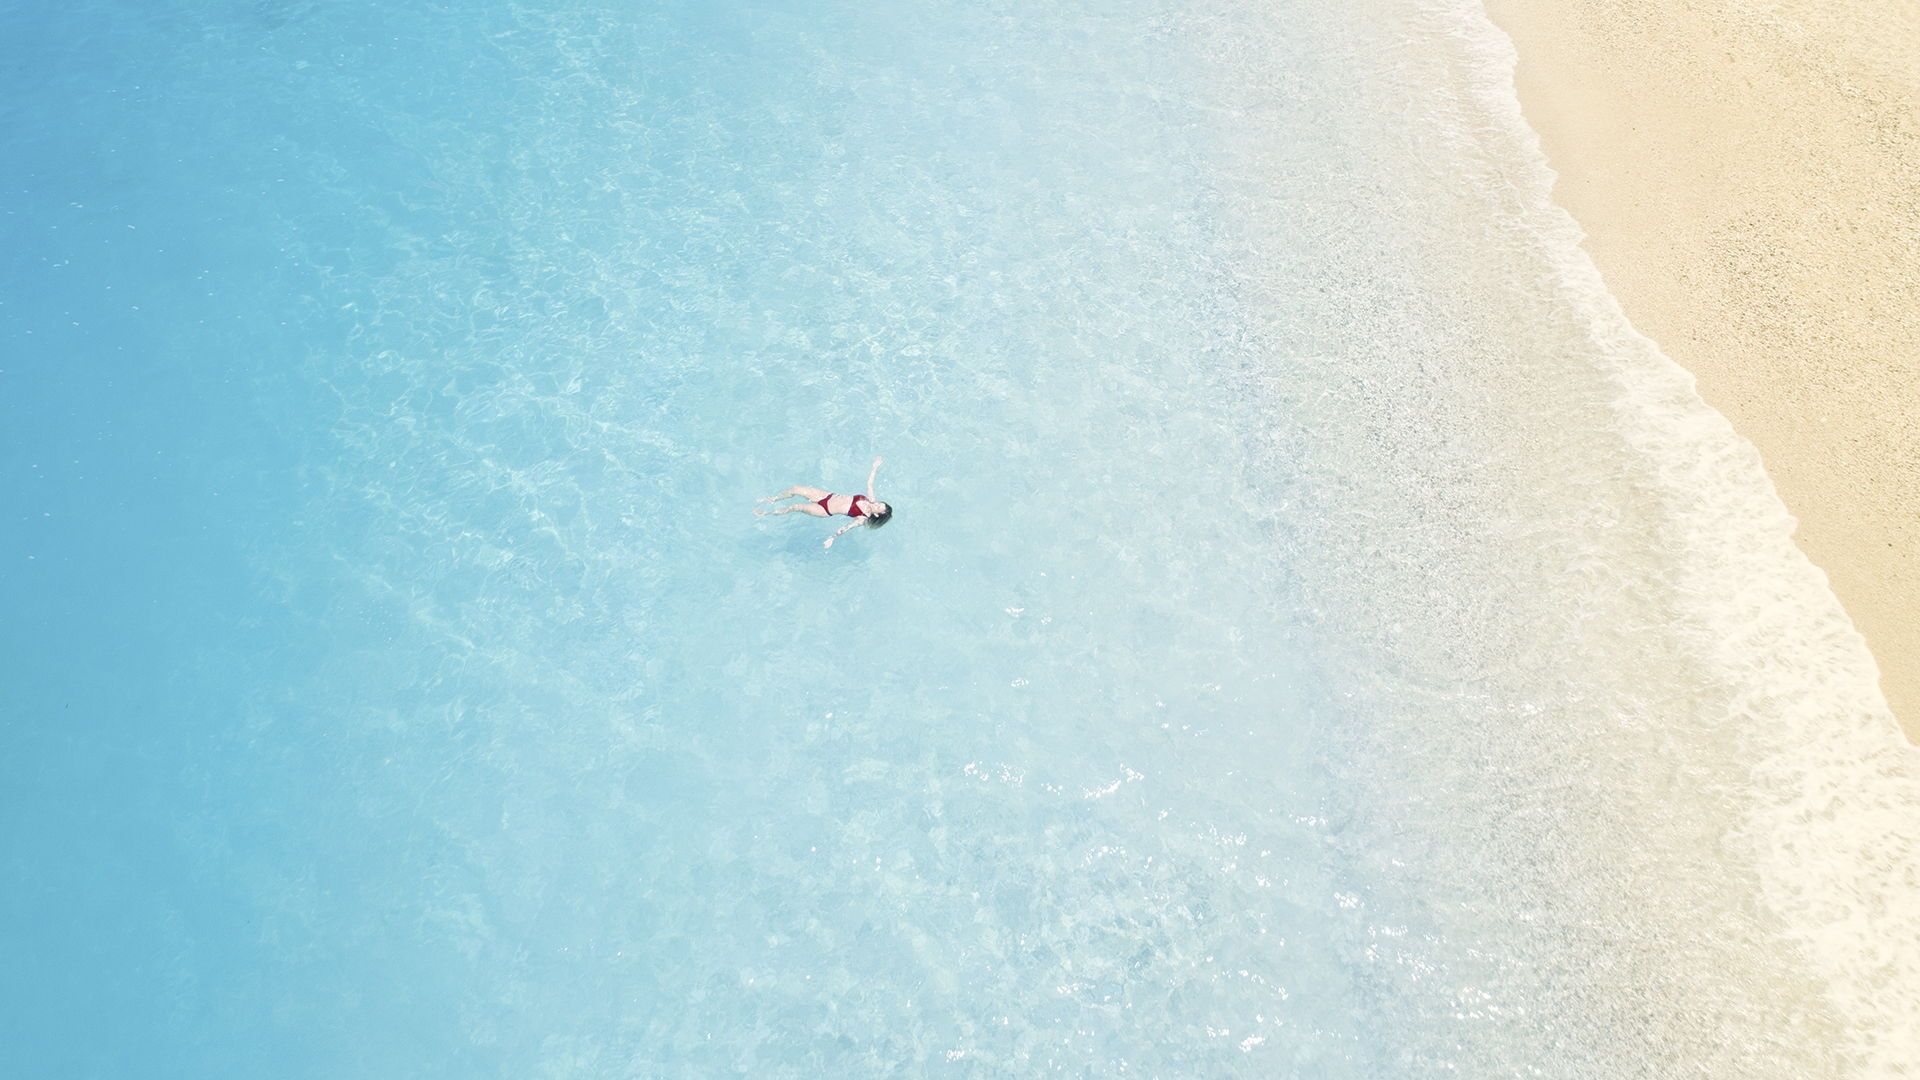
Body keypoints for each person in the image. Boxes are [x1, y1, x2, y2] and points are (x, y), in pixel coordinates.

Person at [755, 456, 893, 549]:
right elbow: (870, 483)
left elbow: (847, 527)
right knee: (795, 489)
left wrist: (832, 538)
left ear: (876, 515)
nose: (876, 504)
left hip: (824, 510)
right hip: (826, 496)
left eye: (878, 507)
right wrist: (874, 467)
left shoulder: (863, 518)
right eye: (879, 503)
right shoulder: (870, 499)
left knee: (795, 507)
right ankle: (772, 499)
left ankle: (766, 513)